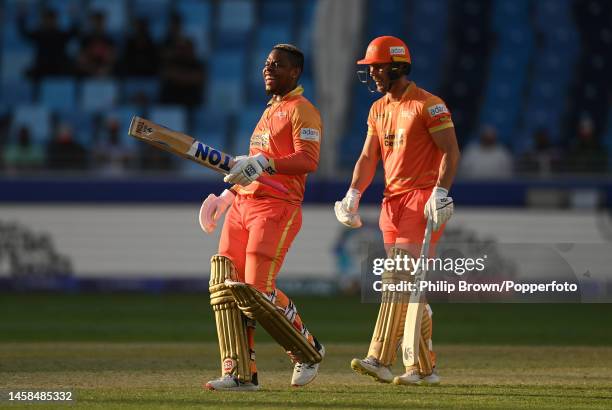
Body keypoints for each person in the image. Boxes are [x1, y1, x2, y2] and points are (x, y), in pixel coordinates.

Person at [335, 36, 460, 385]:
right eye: (369, 68)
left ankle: (379, 358)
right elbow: (367, 157)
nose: (372, 73)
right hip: (391, 202)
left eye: (376, 66)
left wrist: (440, 192)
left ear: (396, 66)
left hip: (421, 200)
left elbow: (451, 151)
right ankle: (422, 370)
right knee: (407, 288)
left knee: (398, 280)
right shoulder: (378, 109)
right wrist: (353, 194)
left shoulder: (429, 105)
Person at [199, 44, 324, 391]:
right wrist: (226, 196)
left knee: (256, 291)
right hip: (243, 207)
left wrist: (267, 163)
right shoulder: (270, 111)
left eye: (277, 65)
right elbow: (251, 167)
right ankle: (239, 373)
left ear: (295, 72)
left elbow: (307, 161)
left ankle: (307, 350)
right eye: (266, 64)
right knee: (225, 286)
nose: (268, 70)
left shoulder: (303, 111)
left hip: (276, 207)